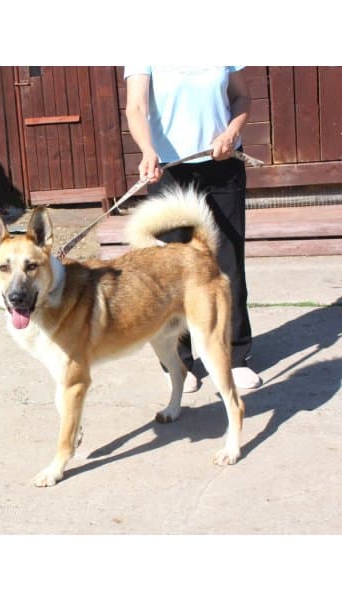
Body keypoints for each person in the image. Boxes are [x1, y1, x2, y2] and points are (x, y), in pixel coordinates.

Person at [124, 65, 262, 391]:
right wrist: (147, 150)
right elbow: (136, 107)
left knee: (227, 264)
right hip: (168, 169)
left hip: (222, 164)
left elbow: (242, 97)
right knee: (170, 271)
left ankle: (234, 356)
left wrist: (231, 133)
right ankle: (178, 362)